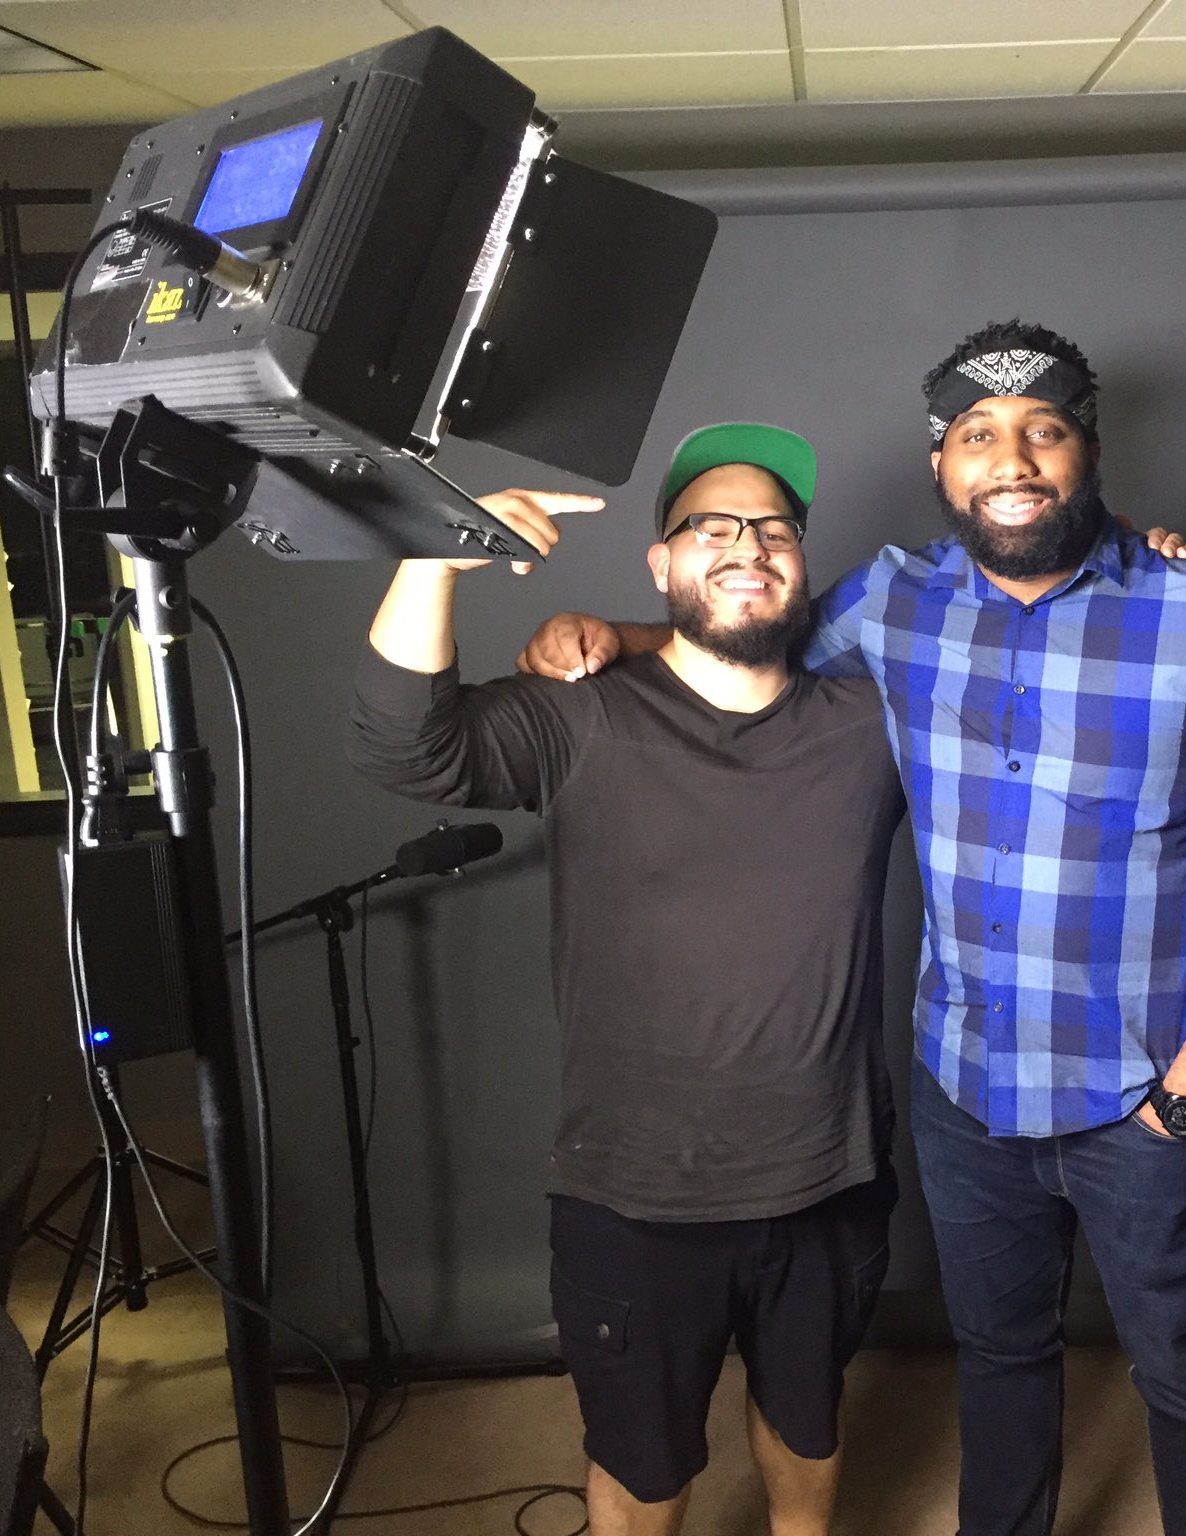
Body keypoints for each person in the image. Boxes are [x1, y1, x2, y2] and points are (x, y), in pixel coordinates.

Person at [519, 321, 1186, 1536]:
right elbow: (753, 641)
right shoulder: (893, 602)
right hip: (967, 1099)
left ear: (1087, 452)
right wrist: (610, 636)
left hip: (1143, 1096)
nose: (1012, 459)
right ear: (940, 466)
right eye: (977, 435)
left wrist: (1185, 1100)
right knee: (998, 1359)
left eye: (1043, 431)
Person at [345, 424, 908, 1536]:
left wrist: (1132, 550)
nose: (746, 545)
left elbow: (1027, 634)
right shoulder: (583, 717)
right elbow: (403, 746)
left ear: (800, 563)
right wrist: (433, 561)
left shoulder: (871, 725)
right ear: (661, 562)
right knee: (644, 1470)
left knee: (808, 1425)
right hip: (636, 1195)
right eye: (711, 526)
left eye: (773, 529)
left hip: (828, 1175)